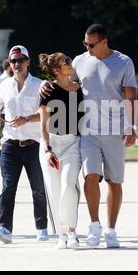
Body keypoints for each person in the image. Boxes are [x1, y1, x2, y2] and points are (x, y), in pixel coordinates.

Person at [41, 23, 137, 248]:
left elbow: (130, 95)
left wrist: (130, 125)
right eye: (85, 43)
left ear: (104, 41)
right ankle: (94, 225)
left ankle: (111, 230)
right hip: (88, 131)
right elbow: (62, 81)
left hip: (115, 130)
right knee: (90, 176)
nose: (87, 48)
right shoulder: (80, 61)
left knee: (114, 181)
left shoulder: (123, 62)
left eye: (91, 44)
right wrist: (44, 85)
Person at [0, 45, 48, 244]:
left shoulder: (40, 85)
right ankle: (5, 228)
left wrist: (27, 118)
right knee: (8, 187)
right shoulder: (4, 86)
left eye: (20, 60)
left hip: (34, 144)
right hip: (10, 144)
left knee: (38, 188)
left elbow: (47, 113)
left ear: (28, 61)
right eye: (13, 61)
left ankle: (42, 227)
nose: (17, 64)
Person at [38, 52, 84, 249]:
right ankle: (61, 234)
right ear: (57, 69)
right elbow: (43, 124)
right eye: (66, 62)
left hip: (73, 143)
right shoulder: (48, 90)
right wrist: (48, 149)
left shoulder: (80, 89)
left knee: (68, 186)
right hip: (51, 145)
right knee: (54, 190)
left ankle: (72, 231)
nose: (70, 63)